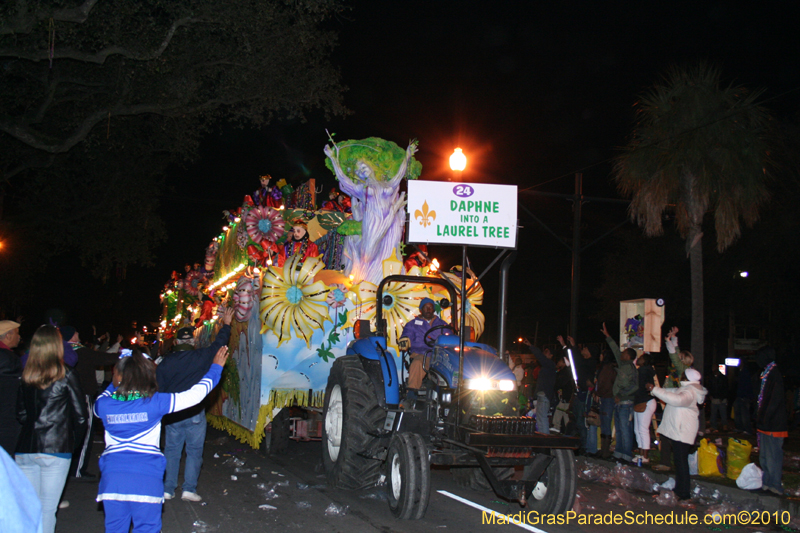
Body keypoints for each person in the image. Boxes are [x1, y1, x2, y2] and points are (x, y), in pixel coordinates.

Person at [96, 346, 229, 532]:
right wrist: (215, 368)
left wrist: (121, 372)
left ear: (117, 376)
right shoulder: (155, 402)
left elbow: (110, 390)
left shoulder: (103, 405)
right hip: (146, 480)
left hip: (113, 481)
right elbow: (195, 395)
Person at [16, 325, 88, 533]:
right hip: (56, 446)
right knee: (48, 509)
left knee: (30, 507)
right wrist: (73, 444)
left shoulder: (27, 375)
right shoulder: (66, 374)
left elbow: (21, 414)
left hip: (26, 447)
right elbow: (81, 416)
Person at [157, 308, 233, 502]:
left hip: (173, 414)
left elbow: (160, 389)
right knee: (194, 452)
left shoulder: (165, 363)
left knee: (172, 451)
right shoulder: (200, 356)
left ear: (176, 343)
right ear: (192, 342)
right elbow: (219, 343)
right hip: (195, 414)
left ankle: (168, 489)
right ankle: (189, 489)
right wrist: (227, 323)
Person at [60, 325, 121, 478]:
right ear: (71, 336)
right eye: (76, 331)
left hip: (68, 395)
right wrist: (122, 356)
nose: (78, 333)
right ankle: (78, 469)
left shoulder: (63, 349)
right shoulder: (79, 350)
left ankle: (70, 467)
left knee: (71, 431)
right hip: (83, 395)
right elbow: (102, 358)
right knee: (86, 430)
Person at [646, 367, 707, 501]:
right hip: (681, 430)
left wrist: (655, 390)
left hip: (683, 430)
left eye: (683, 375)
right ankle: (680, 489)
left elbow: (676, 399)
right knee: (680, 461)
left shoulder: (689, 391)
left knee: (681, 462)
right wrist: (655, 390)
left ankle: (684, 493)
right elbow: (671, 392)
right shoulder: (687, 389)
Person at [653, 326, 693, 472]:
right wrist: (674, 339)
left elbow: (674, 356)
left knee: (668, 432)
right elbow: (676, 355)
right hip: (674, 400)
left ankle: (668, 462)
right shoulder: (684, 370)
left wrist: (668, 341)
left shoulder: (682, 369)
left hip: (674, 401)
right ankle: (671, 462)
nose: (675, 359)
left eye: (679, 357)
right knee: (668, 433)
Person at [399, 298, 449, 404]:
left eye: (431, 307)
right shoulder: (413, 324)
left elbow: (450, 336)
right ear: (421, 309)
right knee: (418, 363)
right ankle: (411, 395)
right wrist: (405, 340)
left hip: (438, 355)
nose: (429, 309)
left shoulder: (441, 324)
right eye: (426, 307)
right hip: (421, 353)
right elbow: (406, 334)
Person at [601, 322, 638, 462]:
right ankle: (619, 453)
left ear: (628, 356)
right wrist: (608, 337)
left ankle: (626, 455)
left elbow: (633, 386)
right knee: (621, 429)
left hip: (625, 402)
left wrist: (620, 396)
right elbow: (616, 350)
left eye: (624, 353)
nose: (621, 354)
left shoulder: (629, 369)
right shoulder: (624, 365)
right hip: (620, 401)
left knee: (624, 429)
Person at [755, 346, 788, 495]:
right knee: (764, 456)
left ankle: (775, 485)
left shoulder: (774, 374)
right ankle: (767, 483)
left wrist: (764, 418)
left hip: (774, 425)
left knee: (773, 456)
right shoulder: (767, 374)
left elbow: (774, 400)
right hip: (765, 423)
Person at [522, 339, 556, 434]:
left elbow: (540, 356)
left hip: (545, 395)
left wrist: (531, 346)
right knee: (540, 417)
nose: (544, 353)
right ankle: (543, 436)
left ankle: (545, 438)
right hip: (542, 395)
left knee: (542, 417)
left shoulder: (549, 364)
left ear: (551, 355)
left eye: (547, 352)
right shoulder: (546, 366)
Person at [0, 320, 22, 456]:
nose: (19, 337)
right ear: (8, 335)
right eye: (17, 333)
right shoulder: (8, 359)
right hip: (7, 420)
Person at [632, 352, 656, 464]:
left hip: (645, 402)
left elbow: (638, 387)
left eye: (641, 358)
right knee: (638, 429)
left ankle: (645, 455)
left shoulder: (643, 371)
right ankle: (641, 454)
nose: (638, 359)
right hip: (642, 402)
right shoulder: (645, 371)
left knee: (642, 429)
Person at [595, 347, 617, 458]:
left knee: (606, 423)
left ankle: (605, 450)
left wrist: (598, 392)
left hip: (607, 397)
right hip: (605, 397)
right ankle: (604, 449)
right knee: (604, 423)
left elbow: (605, 384)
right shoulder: (606, 368)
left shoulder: (607, 369)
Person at [552, 355, 575, 434]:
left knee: (562, 411)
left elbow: (560, 383)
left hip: (567, 396)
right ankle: (566, 430)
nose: (558, 363)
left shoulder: (564, 372)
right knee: (563, 412)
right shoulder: (566, 372)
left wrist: (556, 388)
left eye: (559, 361)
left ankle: (558, 427)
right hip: (566, 396)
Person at [708, 365, 729, 432]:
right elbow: (710, 387)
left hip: (721, 398)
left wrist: (722, 397)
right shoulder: (711, 378)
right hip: (714, 397)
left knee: (723, 413)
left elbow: (725, 388)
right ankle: (714, 426)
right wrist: (710, 395)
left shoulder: (723, 378)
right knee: (714, 413)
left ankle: (724, 425)